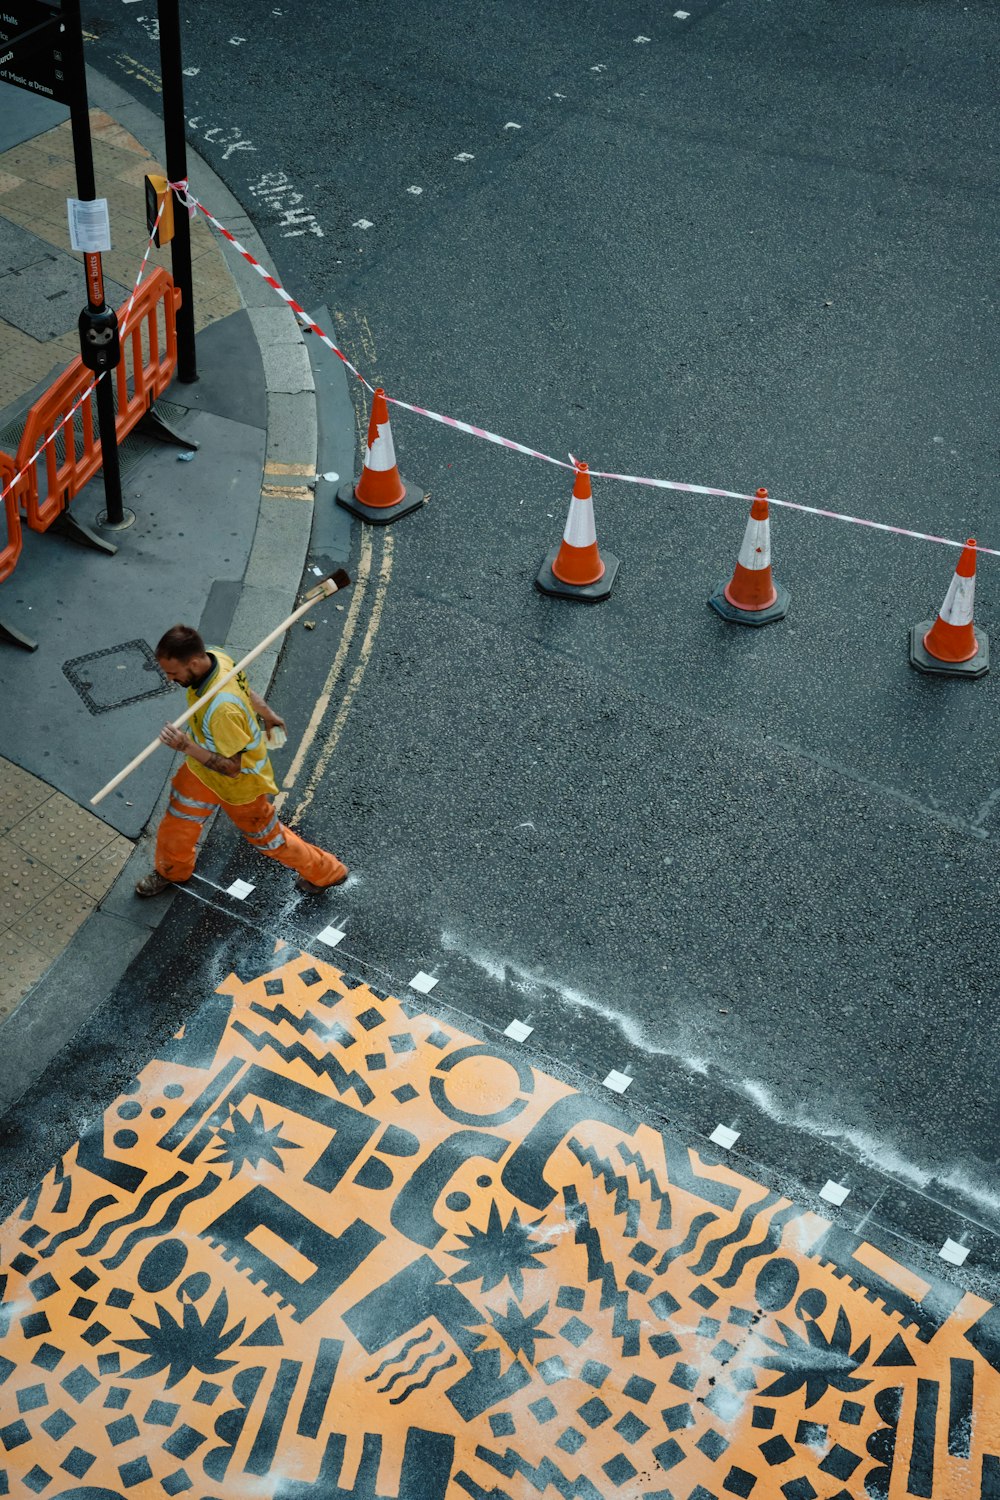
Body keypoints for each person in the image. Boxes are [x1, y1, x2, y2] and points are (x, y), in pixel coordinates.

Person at [134, 624, 348, 897]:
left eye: (173, 673)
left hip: (239, 786)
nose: (169, 679)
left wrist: (184, 745)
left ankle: (327, 872)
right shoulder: (217, 657)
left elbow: (231, 768)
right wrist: (267, 714)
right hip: (202, 771)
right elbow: (244, 689)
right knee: (178, 821)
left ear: (195, 662)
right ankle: (170, 871)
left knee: (269, 840)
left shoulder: (222, 710)